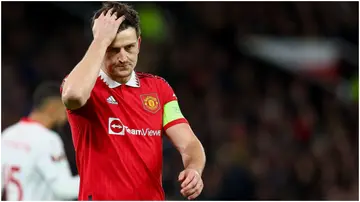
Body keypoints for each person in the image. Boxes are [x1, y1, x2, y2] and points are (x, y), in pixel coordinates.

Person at [61, 2, 206, 200]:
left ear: (138, 44)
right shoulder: (86, 87)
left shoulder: (159, 89)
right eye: (113, 49)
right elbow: (73, 96)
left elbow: (189, 143)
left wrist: (194, 170)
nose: (123, 57)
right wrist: (100, 40)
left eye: (129, 47)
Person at [1, 82, 80, 200]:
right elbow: (63, 189)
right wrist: (98, 177)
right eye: (66, 106)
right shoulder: (48, 139)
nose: (68, 114)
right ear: (53, 107)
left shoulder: (8, 134)